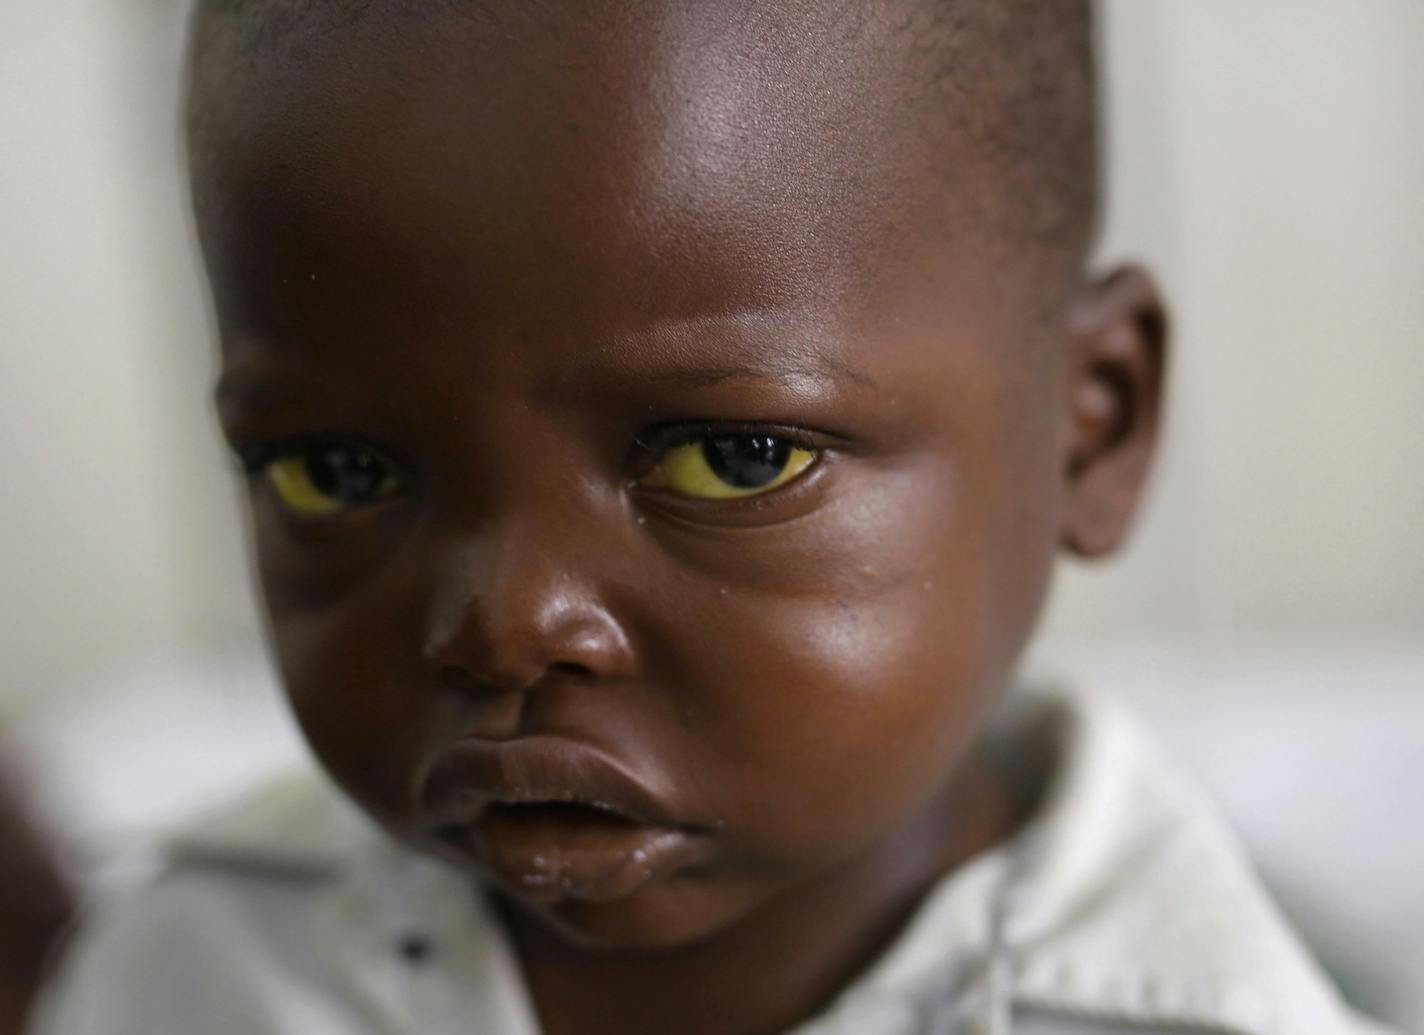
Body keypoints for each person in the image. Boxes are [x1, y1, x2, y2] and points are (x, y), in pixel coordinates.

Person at [28, 2, 1400, 1033]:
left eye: (733, 458)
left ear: (1090, 426)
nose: (507, 625)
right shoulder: (197, 967)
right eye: (338, 473)